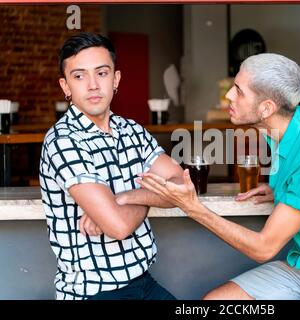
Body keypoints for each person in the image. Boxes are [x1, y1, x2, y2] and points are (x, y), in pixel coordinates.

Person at [136, 53, 300, 300]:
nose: (228, 96)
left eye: (239, 90)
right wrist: (287, 190)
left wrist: (191, 207)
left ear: (267, 107)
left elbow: (263, 248)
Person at [39, 32, 184, 300]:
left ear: (115, 79)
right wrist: (152, 193)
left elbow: (183, 184)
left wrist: (127, 196)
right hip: (93, 293)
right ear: (66, 86)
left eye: (102, 73)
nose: (93, 85)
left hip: (143, 281)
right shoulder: (63, 140)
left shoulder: (132, 130)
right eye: (79, 76)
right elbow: (118, 226)